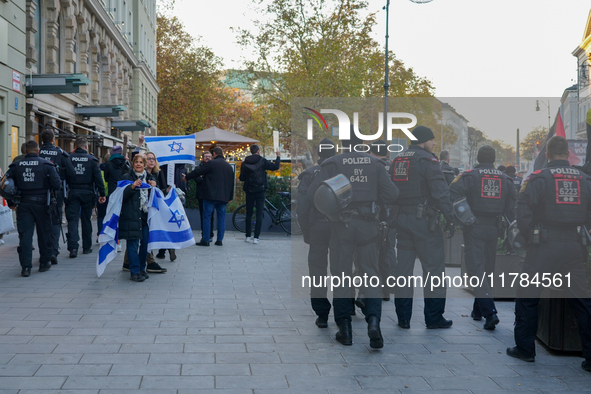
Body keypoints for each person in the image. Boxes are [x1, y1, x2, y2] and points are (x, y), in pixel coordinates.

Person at [307, 130, 399, 348]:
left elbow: (313, 194)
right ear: (363, 144)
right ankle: (374, 322)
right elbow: (393, 194)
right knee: (371, 274)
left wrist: (332, 211)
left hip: (342, 225)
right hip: (369, 225)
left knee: (341, 275)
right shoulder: (375, 164)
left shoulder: (332, 163)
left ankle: (345, 329)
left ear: (343, 144)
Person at [507, 136, 591, 372]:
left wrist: (530, 239)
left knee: (528, 295)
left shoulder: (538, 178)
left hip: (543, 244)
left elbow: (522, 213)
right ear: (568, 155)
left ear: (547, 154)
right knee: (581, 301)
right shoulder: (585, 180)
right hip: (574, 245)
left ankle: (524, 349)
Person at [390, 126, 455, 329]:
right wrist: (451, 218)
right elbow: (440, 192)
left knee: (403, 270)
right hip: (424, 222)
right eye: (432, 140)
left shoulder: (398, 159)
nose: (434, 144)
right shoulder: (428, 160)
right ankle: (434, 318)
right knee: (433, 270)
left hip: (402, 220)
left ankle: (403, 318)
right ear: (423, 141)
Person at [449, 145, 517, 330]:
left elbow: (452, 194)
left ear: (478, 158)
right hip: (495, 227)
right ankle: (478, 310)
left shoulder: (469, 176)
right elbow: (513, 208)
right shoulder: (506, 179)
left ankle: (489, 312)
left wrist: (463, 216)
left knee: (476, 270)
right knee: (487, 268)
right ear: (494, 159)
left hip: (474, 226)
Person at [5, 140, 61, 276]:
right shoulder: (46, 164)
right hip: (42, 204)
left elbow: (5, 185)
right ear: (38, 151)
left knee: (25, 236)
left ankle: (26, 267)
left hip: (23, 205)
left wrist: (10, 201)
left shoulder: (16, 165)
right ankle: (44, 262)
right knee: (44, 233)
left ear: (25, 151)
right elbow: (57, 184)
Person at [296, 138, 335, 328]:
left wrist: (306, 232)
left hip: (317, 226)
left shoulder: (309, 174)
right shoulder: (342, 172)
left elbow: (302, 208)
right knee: (342, 269)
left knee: (317, 271)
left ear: (318, 154)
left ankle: (322, 313)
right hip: (339, 227)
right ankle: (346, 308)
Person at [183, 147, 234, 246]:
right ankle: (219, 240)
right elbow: (231, 183)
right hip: (223, 197)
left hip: (210, 196)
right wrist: (230, 197)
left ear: (214, 154)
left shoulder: (212, 163)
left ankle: (206, 240)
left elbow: (198, 172)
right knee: (221, 218)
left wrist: (186, 177)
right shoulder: (228, 166)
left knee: (206, 217)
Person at [38, 129, 75, 264]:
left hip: (38, 192)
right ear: (53, 139)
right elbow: (71, 173)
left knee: (42, 222)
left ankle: (46, 250)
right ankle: (53, 250)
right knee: (55, 220)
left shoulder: (38, 152)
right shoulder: (60, 153)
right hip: (56, 192)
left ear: (43, 140)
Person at [65, 137, 106, 258]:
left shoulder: (69, 158)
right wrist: (102, 193)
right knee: (86, 219)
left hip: (72, 191)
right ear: (86, 146)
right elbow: (98, 178)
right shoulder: (92, 160)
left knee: (72, 220)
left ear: (75, 146)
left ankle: (73, 247)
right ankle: (87, 247)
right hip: (87, 192)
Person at [120, 154, 156, 282]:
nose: (138, 164)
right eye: (136, 162)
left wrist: (154, 187)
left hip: (145, 216)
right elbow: (121, 196)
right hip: (131, 215)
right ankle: (134, 271)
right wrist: (132, 187)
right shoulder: (127, 177)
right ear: (133, 163)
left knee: (145, 244)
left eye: (141, 162)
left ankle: (142, 268)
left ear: (145, 164)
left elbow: (155, 196)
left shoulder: (149, 177)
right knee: (133, 244)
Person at [369, 140, 397, 302]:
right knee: (389, 249)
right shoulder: (393, 166)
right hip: (391, 215)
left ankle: (374, 287)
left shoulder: (372, 165)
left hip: (372, 215)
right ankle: (388, 287)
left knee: (370, 253)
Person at [239, 145, 281, 244]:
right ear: (258, 151)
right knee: (259, 213)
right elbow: (275, 167)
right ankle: (256, 237)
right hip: (260, 190)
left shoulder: (245, 163)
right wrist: (278, 156)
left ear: (251, 151)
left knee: (249, 213)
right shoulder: (262, 161)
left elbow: (241, 178)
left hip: (249, 190)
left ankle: (248, 236)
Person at [146, 151, 174, 268]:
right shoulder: (143, 174)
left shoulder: (155, 174)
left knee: (144, 235)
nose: (151, 160)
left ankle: (127, 263)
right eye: (148, 158)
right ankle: (151, 261)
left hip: (152, 207)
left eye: (153, 158)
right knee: (145, 235)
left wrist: (164, 191)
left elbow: (157, 192)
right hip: (144, 208)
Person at [191, 151, 215, 245]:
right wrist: (205, 178)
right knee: (203, 216)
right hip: (201, 195)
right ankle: (204, 235)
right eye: (206, 156)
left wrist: (203, 177)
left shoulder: (213, 168)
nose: (208, 158)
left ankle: (210, 235)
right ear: (202, 158)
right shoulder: (198, 168)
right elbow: (197, 179)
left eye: (209, 156)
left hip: (211, 195)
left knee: (211, 216)